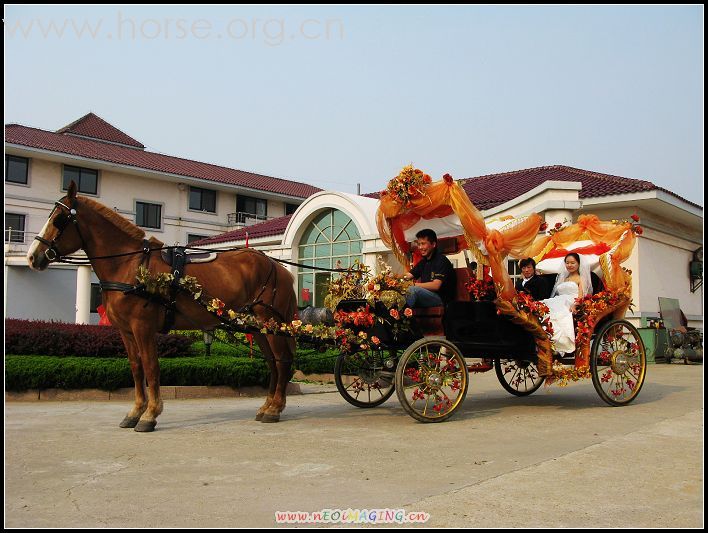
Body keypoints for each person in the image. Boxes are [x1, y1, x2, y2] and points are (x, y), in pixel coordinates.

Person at [403, 229, 456, 308]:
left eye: (423, 244)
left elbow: (436, 286)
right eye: (419, 244)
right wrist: (392, 277)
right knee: (398, 292)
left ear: (433, 244)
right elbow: (408, 276)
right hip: (426, 295)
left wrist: (413, 284)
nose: (420, 247)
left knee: (412, 290)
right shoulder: (423, 262)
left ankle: (404, 318)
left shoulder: (441, 260)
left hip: (440, 298)